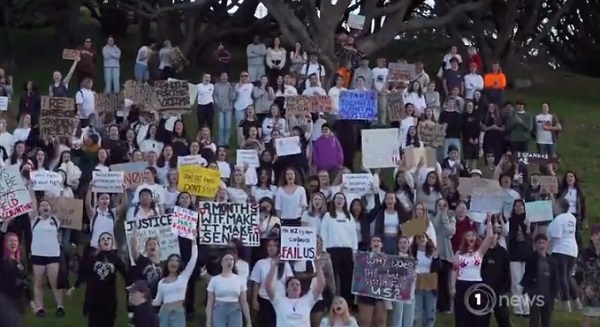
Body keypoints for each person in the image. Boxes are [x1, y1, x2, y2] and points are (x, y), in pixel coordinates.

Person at [68, 232, 128, 327]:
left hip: (109, 296)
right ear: (99, 243)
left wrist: (130, 285)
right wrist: (75, 286)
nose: (105, 240)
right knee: (94, 321)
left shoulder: (116, 259)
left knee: (108, 321)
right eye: (103, 239)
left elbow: (125, 273)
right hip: (94, 296)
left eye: (108, 238)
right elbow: (85, 273)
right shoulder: (93, 258)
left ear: (112, 243)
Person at [451, 215, 494, 327]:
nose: (470, 237)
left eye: (472, 235)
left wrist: (489, 221)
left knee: (478, 312)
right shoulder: (459, 254)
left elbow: (489, 237)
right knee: (462, 315)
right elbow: (454, 270)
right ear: (465, 238)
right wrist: (452, 286)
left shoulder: (479, 252)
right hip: (462, 285)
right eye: (468, 235)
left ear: (475, 238)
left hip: (477, 286)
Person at [265, 255, 325, 327]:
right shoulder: (279, 300)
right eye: (292, 284)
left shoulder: (307, 300)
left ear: (300, 289)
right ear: (286, 289)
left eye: (297, 284)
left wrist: (318, 266)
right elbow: (268, 286)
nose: (295, 286)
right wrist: (273, 266)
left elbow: (321, 286)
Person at [152, 234, 198, 327]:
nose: (173, 262)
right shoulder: (161, 282)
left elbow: (193, 259)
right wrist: (143, 299)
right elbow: (157, 301)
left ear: (179, 264)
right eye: (171, 260)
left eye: (176, 261)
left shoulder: (183, 277)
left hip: (178, 313)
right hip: (164, 313)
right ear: (167, 264)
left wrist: (194, 241)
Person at [547, 198, 581, 312]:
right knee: (567, 276)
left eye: (555, 205)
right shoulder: (571, 217)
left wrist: (548, 248)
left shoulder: (559, 218)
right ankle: (576, 301)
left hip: (560, 249)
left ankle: (566, 303)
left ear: (560, 207)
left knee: (562, 276)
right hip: (572, 250)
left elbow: (556, 235)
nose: (554, 207)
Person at [206, 251, 252, 327]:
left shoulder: (239, 279)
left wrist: (248, 321)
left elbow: (244, 302)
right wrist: (208, 321)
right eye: (226, 259)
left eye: (231, 259)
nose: (229, 262)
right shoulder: (214, 280)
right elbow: (210, 302)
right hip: (219, 309)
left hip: (235, 309)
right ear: (221, 262)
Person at [521, 234, 556, 327]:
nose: (541, 245)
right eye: (539, 243)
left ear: (547, 244)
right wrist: (527, 289)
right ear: (535, 244)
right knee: (534, 318)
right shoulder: (531, 257)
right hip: (535, 291)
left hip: (547, 292)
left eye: (543, 243)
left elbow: (555, 277)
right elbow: (528, 273)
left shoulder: (551, 260)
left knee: (547, 319)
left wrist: (555, 292)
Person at [578, 225, 600, 327]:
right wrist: (584, 287)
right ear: (592, 237)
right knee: (587, 317)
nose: (599, 237)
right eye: (596, 234)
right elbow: (578, 272)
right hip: (591, 292)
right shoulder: (585, 253)